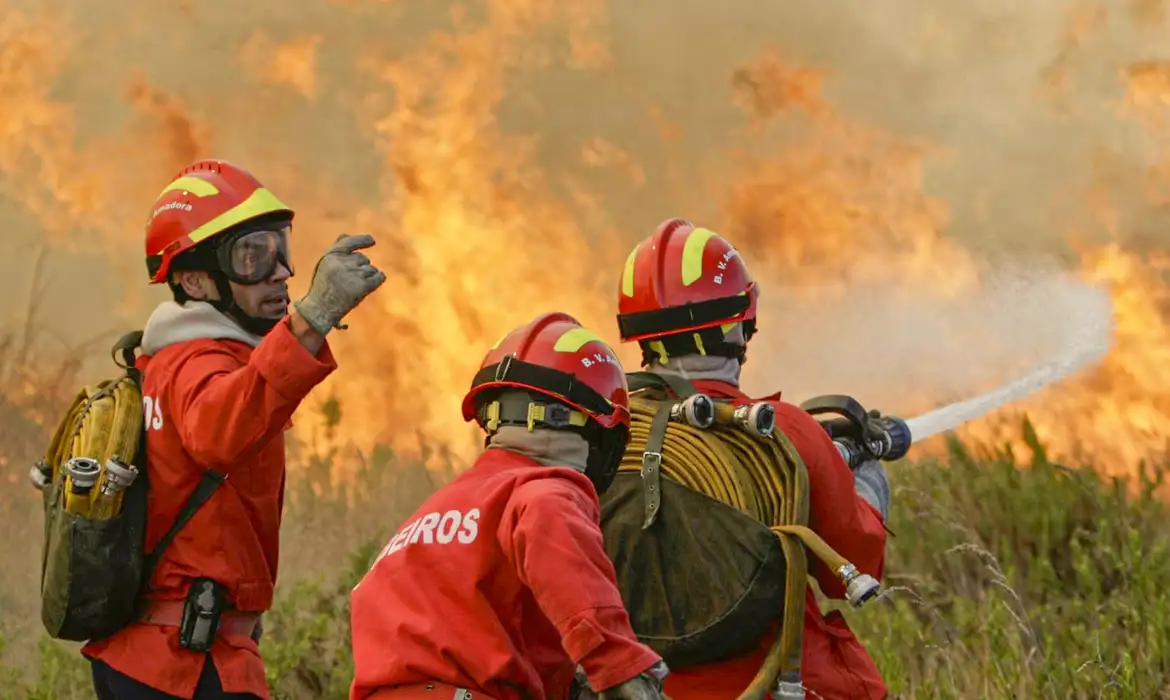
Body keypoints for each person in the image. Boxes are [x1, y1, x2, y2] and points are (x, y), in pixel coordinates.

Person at [81, 158, 387, 700]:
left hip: (168, 659)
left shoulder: (179, 361)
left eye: (279, 247)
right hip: (184, 666)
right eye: (251, 255)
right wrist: (312, 315)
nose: (279, 272)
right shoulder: (195, 361)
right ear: (196, 279)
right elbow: (223, 430)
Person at [611, 218, 890, 700]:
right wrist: (867, 478)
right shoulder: (787, 433)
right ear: (741, 325)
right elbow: (851, 564)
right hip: (777, 685)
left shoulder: (600, 439)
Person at [349, 312, 668, 700]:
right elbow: (567, 573)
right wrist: (621, 669)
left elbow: (495, 629)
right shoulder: (544, 491)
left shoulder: (439, 511)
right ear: (599, 432)